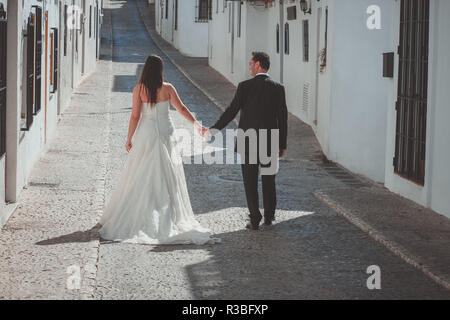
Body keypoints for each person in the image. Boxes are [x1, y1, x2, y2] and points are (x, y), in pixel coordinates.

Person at [97, 55, 218, 245]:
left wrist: (129, 138)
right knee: (167, 174)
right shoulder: (168, 88)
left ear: (145, 69)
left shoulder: (139, 89)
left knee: (139, 173)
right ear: (161, 70)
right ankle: (166, 215)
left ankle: (137, 213)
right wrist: (197, 125)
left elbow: (135, 116)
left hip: (146, 134)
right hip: (165, 133)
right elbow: (183, 109)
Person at [204, 51, 288, 231]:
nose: (249, 66)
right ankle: (269, 216)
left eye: (251, 63)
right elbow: (283, 119)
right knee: (268, 180)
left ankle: (255, 218)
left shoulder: (244, 86)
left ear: (258, 64)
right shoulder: (278, 88)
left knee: (249, 181)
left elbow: (231, 111)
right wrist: (282, 144)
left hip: (247, 142)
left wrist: (214, 129)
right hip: (269, 141)